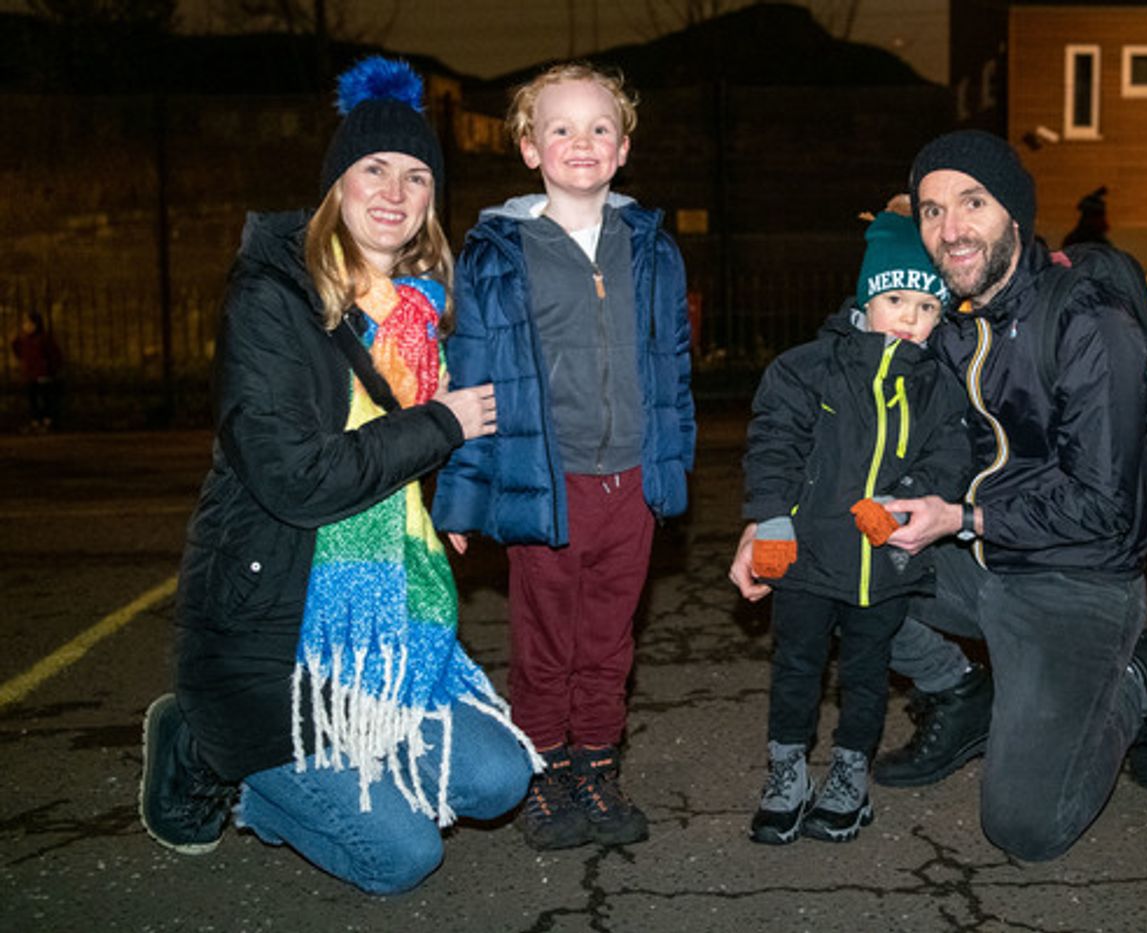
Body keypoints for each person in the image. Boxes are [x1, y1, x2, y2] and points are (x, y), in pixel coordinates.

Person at [138, 56, 538, 896]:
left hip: (389, 622)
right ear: (335, 187)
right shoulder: (273, 297)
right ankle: (223, 761)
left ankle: (357, 744)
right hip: (276, 636)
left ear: (432, 201)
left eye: (417, 176)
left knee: (499, 779)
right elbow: (296, 478)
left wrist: (455, 497)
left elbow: (431, 459)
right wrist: (444, 424)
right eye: (373, 170)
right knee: (400, 859)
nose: (394, 191)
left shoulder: (421, 312)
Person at [862, 129, 1147, 861]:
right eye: (931, 210)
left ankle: (1139, 677)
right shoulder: (944, 324)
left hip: (1078, 577)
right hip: (982, 559)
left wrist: (965, 516)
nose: (951, 229)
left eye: (972, 203)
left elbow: (1104, 508)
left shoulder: (1089, 322)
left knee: (1025, 830)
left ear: (1015, 215)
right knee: (835, 558)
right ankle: (961, 694)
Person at [430, 62, 695, 852]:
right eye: (561, 128)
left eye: (599, 128)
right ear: (528, 148)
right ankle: (545, 773)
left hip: (629, 487)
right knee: (545, 640)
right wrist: (462, 500)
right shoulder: (497, 253)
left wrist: (668, 470)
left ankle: (596, 766)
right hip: (545, 485)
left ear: (621, 151)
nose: (582, 142)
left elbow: (672, 367)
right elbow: (472, 378)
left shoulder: (650, 247)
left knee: (610, 640)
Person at [730, 201, 969, 846]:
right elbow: (774, 443)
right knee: (797, 667)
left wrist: (906, 498)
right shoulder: (809, 367)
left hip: (886, 564)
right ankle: (786, 771)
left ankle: (849, 777)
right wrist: (771, 519)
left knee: (867, 675)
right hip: (808, 560)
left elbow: (951, 458)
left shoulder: (937, 385)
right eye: (899, 303)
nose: (913, 322)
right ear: (868, 300)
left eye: (927, 310)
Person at [11, 310, 63, 433]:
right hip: (30, 374)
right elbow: (18, 351)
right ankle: (35, 421)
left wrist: (51, 369)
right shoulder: (24, 340)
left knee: (45, 399)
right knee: (32, 398)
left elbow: (54, 355)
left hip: (43, 373)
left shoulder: (43, 339)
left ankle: (47, 421)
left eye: (29, 323)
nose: (26, 326)